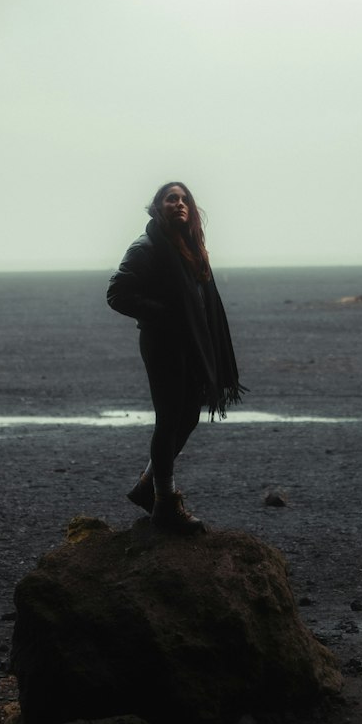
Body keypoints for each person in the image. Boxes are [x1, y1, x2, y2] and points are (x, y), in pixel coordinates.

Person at [106, 181, 243, 534]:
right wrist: (164, 313)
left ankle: (146, 486)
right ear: (158, 207)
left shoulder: (192, 249)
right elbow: (117, 294)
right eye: (171, 199)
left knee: (188, 417)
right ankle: (165, 502)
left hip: (193, 345)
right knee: (169, 419)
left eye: (184, 199)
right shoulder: (146, 246)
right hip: (164, 343)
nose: (178, 204)